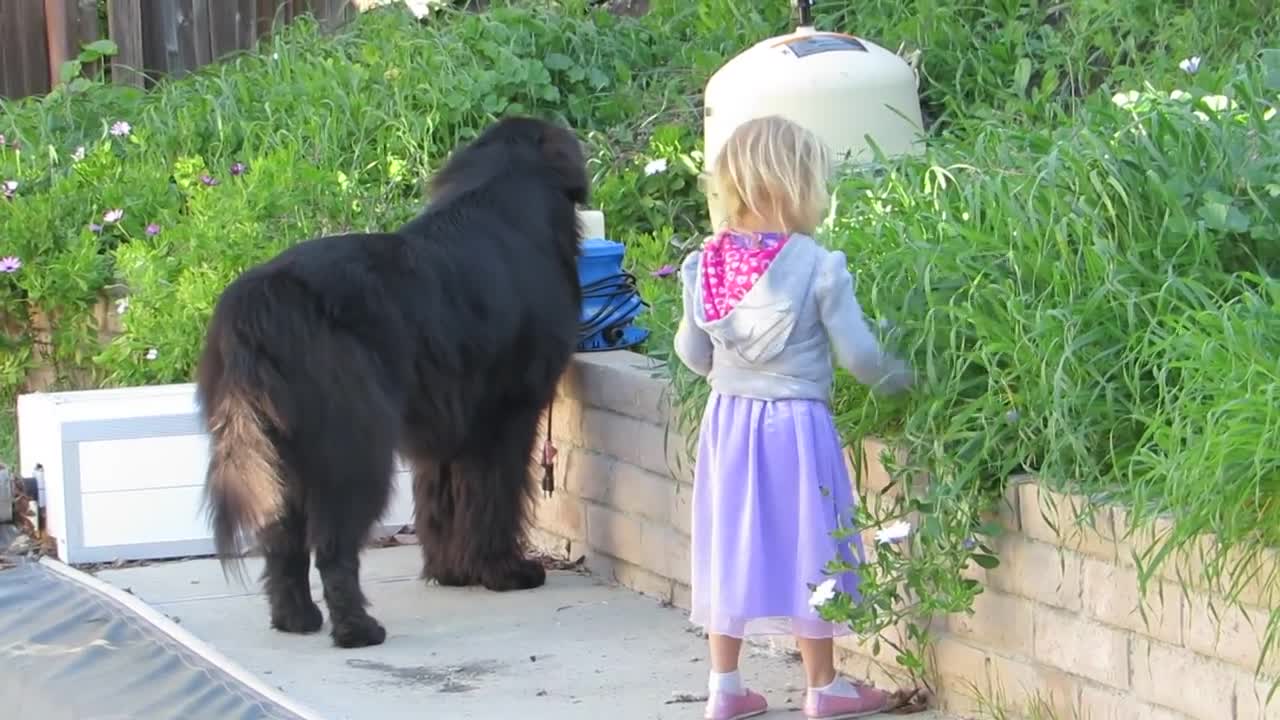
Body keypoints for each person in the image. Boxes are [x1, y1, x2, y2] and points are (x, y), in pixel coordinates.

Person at [673, 115, 913, 720]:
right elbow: (860, 356)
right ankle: (823, 686)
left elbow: (693, 353)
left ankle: (724, 687)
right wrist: (910, 379)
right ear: (801, 185)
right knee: (814, 542)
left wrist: (731, 377)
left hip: (729, 422)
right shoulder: (817, 264)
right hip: (799, 426)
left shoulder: (707, 264)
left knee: (729, 543)